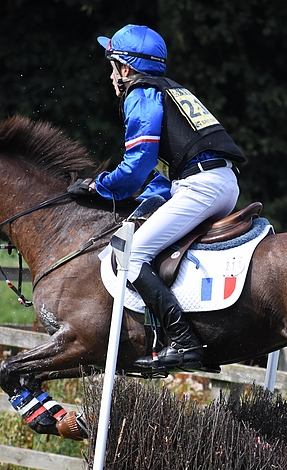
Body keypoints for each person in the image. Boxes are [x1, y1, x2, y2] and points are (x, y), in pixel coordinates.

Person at [89, 24, 246, 372]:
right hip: (217, 181)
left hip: (202, 186)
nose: (112, 77)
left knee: (131, 256)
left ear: (126, 68)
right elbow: (162, 174)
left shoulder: (140, 94)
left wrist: (101, 186)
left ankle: (186, 344)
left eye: (114, 68)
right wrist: (144, 201)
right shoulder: (173, 91)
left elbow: (138, 164)